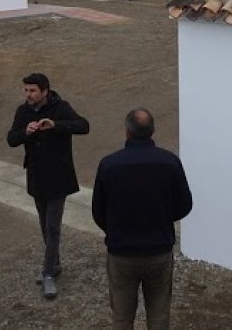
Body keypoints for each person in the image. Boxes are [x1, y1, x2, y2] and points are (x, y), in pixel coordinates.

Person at [92, 109, 193, 330]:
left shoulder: (109, 165)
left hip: (122, 253)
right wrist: (163, 218)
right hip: (159, 251)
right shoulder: (170, 163)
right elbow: (185, 204)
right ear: (153, 131)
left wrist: (116, 229)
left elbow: (98, 212)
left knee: (121, 316)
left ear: (127, 132)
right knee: (158, 316)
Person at [6, 73, 90, 300]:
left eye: (32, 91)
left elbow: (83, 126)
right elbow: (11, 139)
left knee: (53, 226)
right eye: (26, 90)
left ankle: (48, 274)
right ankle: (55, 263)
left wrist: (56, 125)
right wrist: (26, 132)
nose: (28, 95)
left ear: (44, 91)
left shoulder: (60, 107)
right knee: (44, 223)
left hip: (58, 177)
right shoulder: (23, 112)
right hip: (36, 177)